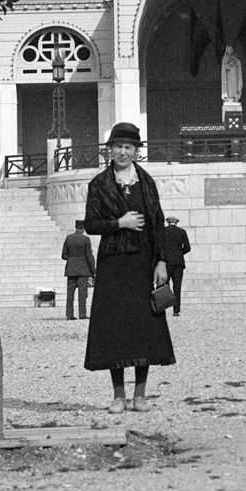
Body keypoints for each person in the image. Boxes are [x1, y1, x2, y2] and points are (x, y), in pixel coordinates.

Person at [82, 122, 174, 414]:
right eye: (118, 147)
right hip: (112, 263)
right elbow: (91, 224)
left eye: (128, 147)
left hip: (142, 263)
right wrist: (118, 223)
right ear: (110, 150)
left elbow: (157, 224)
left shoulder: (146, 183)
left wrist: (162, 261)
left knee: (143, 326)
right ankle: (118, 395)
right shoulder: (98, 184)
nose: (123, 152)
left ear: (136, 151)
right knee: (114, 328)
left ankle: (141, 395)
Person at [62, 221, 97, 321]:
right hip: (83, 269)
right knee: (82, 293)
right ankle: (82, 314)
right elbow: (89, 256)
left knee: (70, 293)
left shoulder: (69, 238)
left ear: (76, 227)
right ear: (83, 228)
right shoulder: (86, 239)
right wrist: (93, 270)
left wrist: (72, 259)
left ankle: (69, 314)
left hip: (71, 269)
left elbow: (64, 255)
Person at [159, 215, 191, 317]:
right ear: (176, 223)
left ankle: (163, 308)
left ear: (168, 222)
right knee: (177, 286)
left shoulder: (163, 232)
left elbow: (159, 247)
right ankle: (176, 311)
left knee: (164, 286)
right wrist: (179, 253)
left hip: (167, 262)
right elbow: (187, 247)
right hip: (178, 262)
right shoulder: (182, 232)